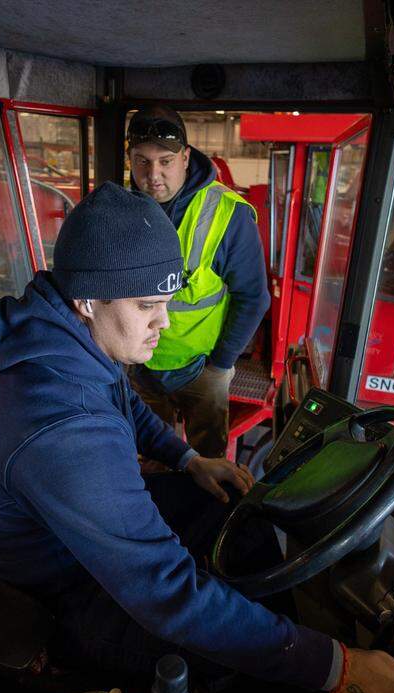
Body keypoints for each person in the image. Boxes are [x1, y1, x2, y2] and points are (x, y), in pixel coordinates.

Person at [0, 182, 394, 693]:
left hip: (68, 533)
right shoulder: (62, 425)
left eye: (167, 301)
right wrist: (335, 667)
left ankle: (275, 634)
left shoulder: (66, 337)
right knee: (224, 664)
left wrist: (187, 459)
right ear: (88, 300)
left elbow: (123, 400)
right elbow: (164, 591)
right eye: (147, 305)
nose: (166, 322)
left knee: (234, 511)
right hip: (50, 587)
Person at [125, 105, 270, 458]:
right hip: (139, 366)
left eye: (165, 161)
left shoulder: (227, 214)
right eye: (142, 161)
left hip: (201, 369)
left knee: (209, 463)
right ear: (130, 159)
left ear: (186, 157)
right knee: (150, 458)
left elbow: (253, 297)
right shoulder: (119, 208)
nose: (153, 175)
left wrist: (220, 364)